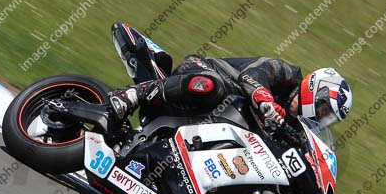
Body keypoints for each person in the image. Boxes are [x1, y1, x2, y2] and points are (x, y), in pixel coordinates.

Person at [108, 54, 352, 129]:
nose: (321, 118)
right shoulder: (286, 73)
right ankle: (132, 95)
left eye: (328, 118)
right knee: (213, 87)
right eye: (324, 110)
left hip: (213, 123)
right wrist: (265, 101)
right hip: (204, 72)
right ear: (315, 90)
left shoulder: (293, 127)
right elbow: (253, 76)